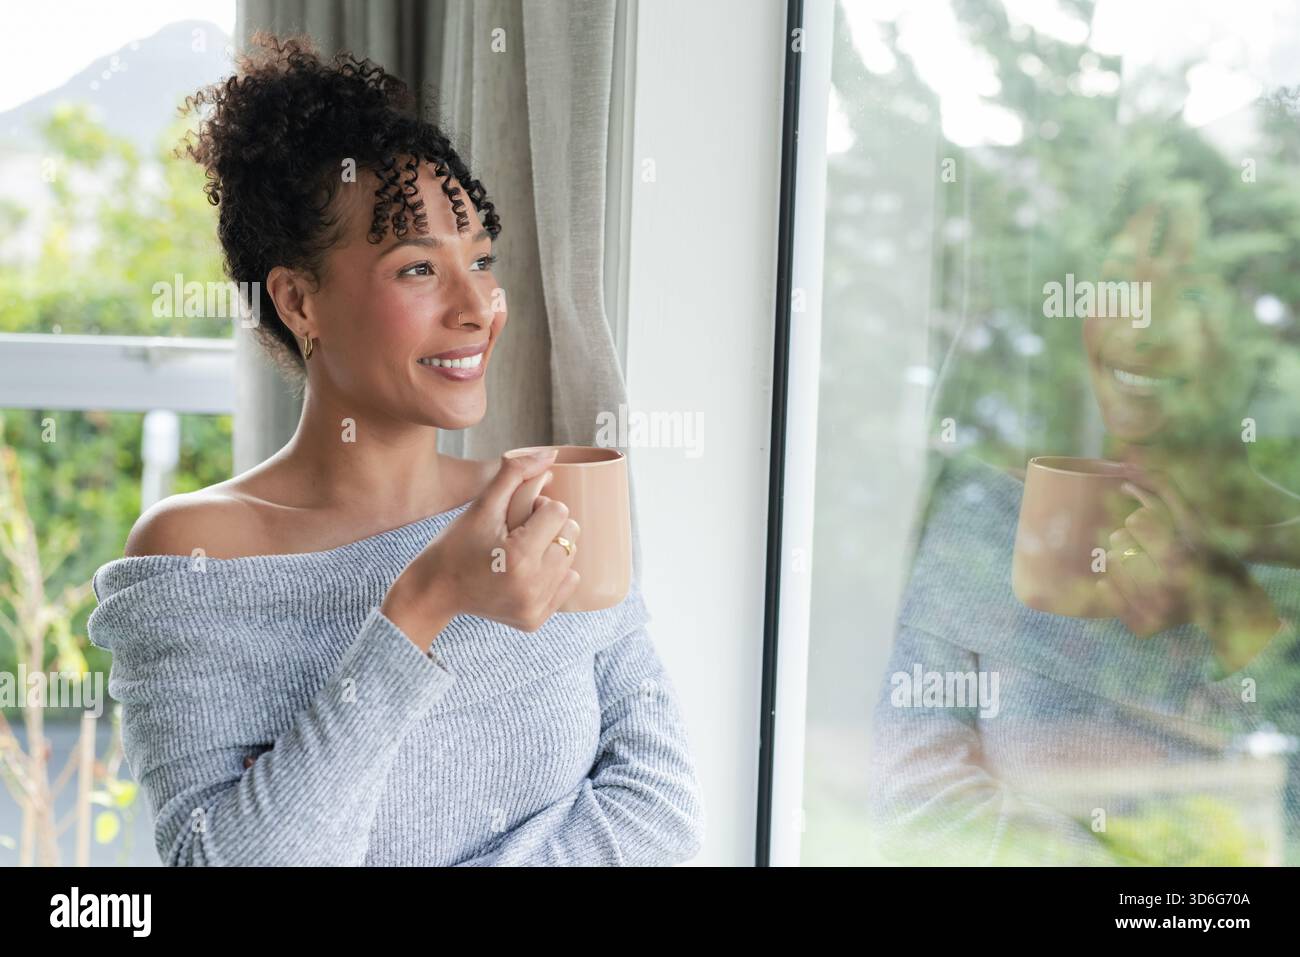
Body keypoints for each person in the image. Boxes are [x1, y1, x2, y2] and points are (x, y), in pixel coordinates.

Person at [86, 33, 705, 866]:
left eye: (481, 259)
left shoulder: (544, 503)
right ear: (300, 301)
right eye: (419, 269)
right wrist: (422, 605)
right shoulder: (197, 555)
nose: (478, 305)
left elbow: (661, 822)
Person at [868, 182, 1300, 866]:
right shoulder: (986, 524)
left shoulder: (1287, 552)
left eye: (1186, 294)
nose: (1140, 326)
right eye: (1117, 285)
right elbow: (916, 804)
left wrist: (1235, 616)